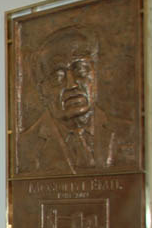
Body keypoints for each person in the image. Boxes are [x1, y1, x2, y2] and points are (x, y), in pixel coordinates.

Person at [16, 25, 138, 176]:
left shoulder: (128, 132)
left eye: (80, 70)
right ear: (42, 90)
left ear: (95, 74)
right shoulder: (24, 146)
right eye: (58, 76)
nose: (71, 84)